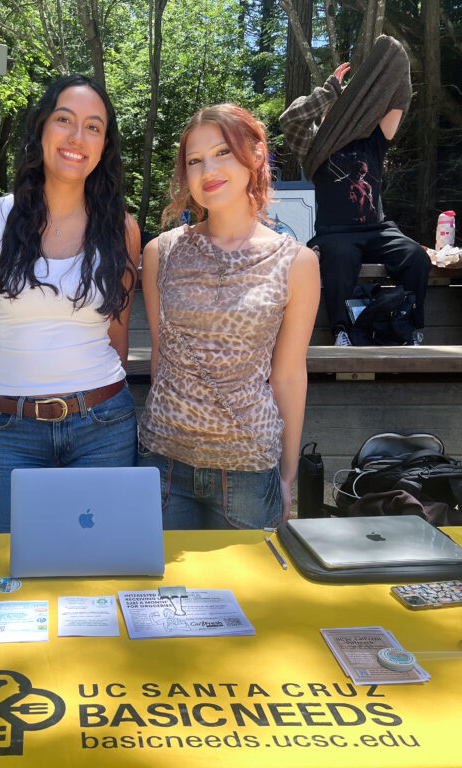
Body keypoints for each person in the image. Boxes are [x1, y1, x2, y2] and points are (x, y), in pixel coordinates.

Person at [0, 75, 141, 533]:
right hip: (11, 432)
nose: (78, 137)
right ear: (41, 129)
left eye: (94, 127)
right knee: (12, 571)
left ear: (104, 146)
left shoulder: (123, 229)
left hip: (104, 426)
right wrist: (22, 380)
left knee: (99, 570)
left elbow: (118, 337)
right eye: (65, 120)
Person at [137, 104, 319, 529]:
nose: (208, 169)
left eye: (222, 152)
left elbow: (289, 375)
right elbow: (160, 359)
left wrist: (287, 474)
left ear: (256, 154)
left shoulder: (296, 262)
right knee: (162, 594)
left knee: (249, 595)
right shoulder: (160, 253)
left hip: (249, 472)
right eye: (195, 160)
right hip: (162, 465)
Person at [279, 36, 430, 346]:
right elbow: (291, 119)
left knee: (416, 257)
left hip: (378, 229)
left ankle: (411, 327)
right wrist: (331, 91)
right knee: (340, 259)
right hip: (335, 233)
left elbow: (399, 100)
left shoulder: (374, 139)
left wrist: (396, 59)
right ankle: (341, 331)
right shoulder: (315, 147)